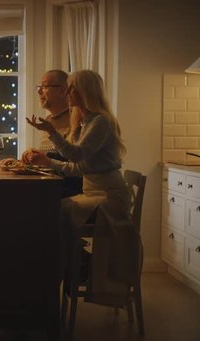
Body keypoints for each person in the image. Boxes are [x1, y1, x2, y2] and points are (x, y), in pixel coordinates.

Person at [26, 69, 132, 305]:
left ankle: (72, 268)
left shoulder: (101, 121)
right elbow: (79, 167)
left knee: (53, 214)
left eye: (72, 88)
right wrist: (47, 161)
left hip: (109, 196)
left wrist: (52, 133)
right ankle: (71, 267)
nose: (67, 92)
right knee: (53, 214)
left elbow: (76, 155)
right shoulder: (86, 122)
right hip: (93, 192)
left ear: (85, 92)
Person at [23, 69, 82, 197]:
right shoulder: (49, 120)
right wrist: (29, 156)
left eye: (44, 87)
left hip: (68, 188)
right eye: (39, 87)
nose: (39, 91)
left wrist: (44, 158)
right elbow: (48, 156)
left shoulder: (77, 121)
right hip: (51, 185)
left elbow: (75, 162)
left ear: (62, 91)